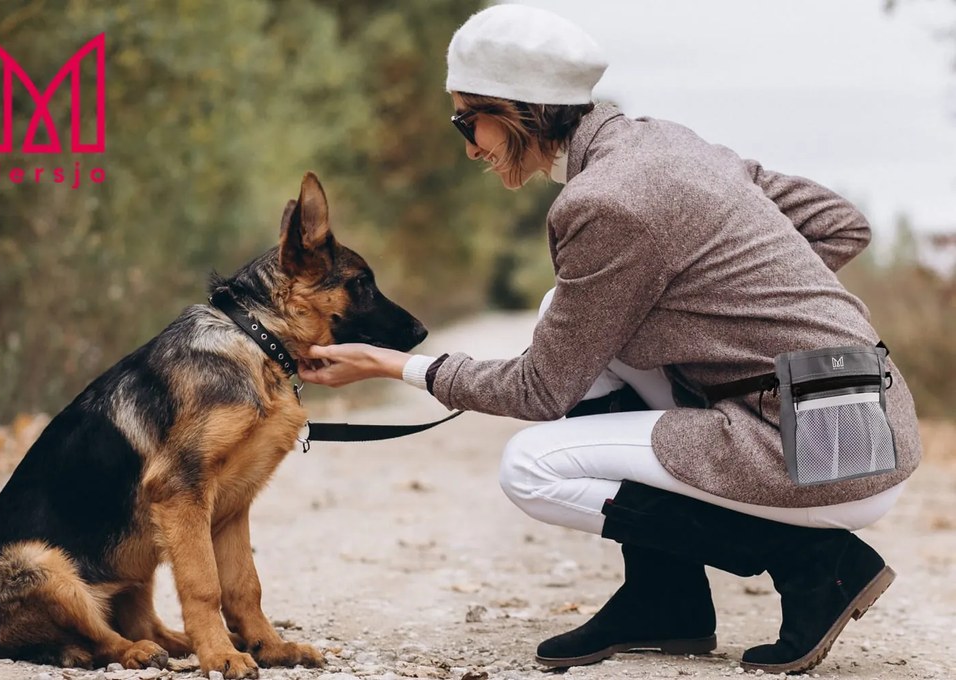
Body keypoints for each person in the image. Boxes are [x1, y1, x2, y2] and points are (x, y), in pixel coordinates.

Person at [298, 4, 922, 675]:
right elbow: (842, 225)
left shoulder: (606, 200)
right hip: (863, 419)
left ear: (515, 110)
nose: (469, 146)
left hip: (824, 455)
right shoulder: (669, 144)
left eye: (464, 120)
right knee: (561, 314)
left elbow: (542, 389)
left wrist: (397, 366)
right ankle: (665, 599)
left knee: (529, 469)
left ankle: (817, 566)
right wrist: (736, 304)